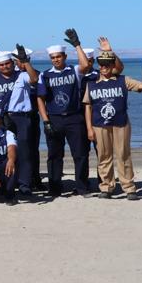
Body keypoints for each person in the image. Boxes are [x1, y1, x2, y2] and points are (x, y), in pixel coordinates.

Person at [85, 46, 142, 200]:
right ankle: (106, 187)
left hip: (121, 123)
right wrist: (89, 128)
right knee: (104, 156)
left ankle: (129, 188)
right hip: (99, 125)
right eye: (101, 65)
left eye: (107, 64)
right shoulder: (91, 84)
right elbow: (88, 107)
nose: (104, 67)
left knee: (123, 155)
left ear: (113, 65)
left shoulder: (123, 80)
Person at [0, 37, 42, 198]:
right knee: (7, 151)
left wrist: (25, 61)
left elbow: (34, 79)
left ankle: (25, 184)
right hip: (2, 118)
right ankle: (9, 181)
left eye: (7, 63)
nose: (5, 66)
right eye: (1, 65)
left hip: (22, 117)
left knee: (25, 151)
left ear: (12, 63)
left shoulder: (22, 75)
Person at [37, 37, 93, 197]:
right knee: (54, 155)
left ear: (65, 57)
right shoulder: (45, 75)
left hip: (75, 118)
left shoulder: (74, 70)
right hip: (54, 119)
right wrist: (45, 121)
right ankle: (55, 188)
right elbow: (40, 99)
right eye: (53, 57)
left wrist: (77, 45)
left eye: (58, 56)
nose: (56, 59)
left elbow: (85, 65)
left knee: (80, 154)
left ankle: (82, 187)